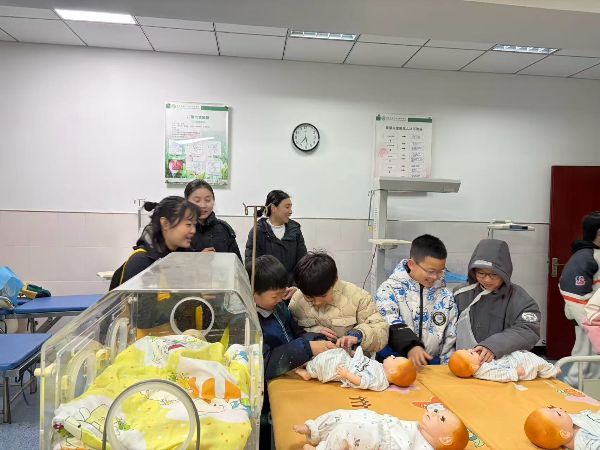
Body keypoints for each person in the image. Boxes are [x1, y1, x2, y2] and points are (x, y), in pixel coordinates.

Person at [247, 255, 335, 449]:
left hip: (290, 379)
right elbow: (265, 363)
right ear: (252, 292)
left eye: (283, 293)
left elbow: (295, 333)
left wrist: (315, 337)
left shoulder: (279, 308)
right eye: (274, 296)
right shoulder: (250, 323)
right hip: (265, 397)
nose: (280, 300)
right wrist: (307, 348)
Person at [374, 234, 457, 368]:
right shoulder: (389, 290)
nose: (435, 277)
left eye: (440, 272)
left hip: (432, 367)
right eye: (430, 271)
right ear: (411, 264)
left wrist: (445, 368)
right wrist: (411, 346)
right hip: (393, 365)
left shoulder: (445, 296)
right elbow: (388, 322)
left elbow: (450, 337)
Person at [453, 239, 541, 363]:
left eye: (494, 274)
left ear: (505, 272)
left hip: (504, 364)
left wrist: (493, 346)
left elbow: (528, 329)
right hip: (464, 363)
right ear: (473, 271)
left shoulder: (520, 299)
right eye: (481, 273)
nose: (487, 280)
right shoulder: (460, 294)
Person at [289, 252, 388, 353]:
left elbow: (380, 331)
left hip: (351, 360)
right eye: (309, 297)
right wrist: (312, 333)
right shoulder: (297, 301)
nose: (317, 303)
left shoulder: (359, 297)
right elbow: (289, 335)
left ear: (335, 282)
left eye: (323, 296)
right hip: (312, 361)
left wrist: (359, 335)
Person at [110, 196, 198, 289]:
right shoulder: (141, 262)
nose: (193, 231)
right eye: (188, 224)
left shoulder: (183, 258)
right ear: (165, 224)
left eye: (194, 225)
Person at [293, 408, 469, 450]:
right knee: (345, 415)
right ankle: (314, 429)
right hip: (379, 422)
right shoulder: (419, 426)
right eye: (437, 411)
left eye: (441, 418)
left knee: (346, 431)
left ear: (445, 439)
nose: (434, 412)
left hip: (382, 441)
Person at [559, 211, 600, 386]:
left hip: (593, 319)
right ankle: (573, 390)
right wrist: (591, 324)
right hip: (590, 321)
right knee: (586, 361)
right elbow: (573, 292)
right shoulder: (585, 257)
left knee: (594, 365)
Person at [244, 190, 307, 284]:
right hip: (267, 288)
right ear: (273, 208)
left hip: (291, 288)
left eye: (291, 207)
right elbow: (251, 266)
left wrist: (295, 286)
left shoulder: (295, 230)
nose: (290, 211)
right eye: (287, 207)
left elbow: (303, 263)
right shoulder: (258, 231)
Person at [295, 348, 416, 390]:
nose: (393, 356)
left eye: (395, 359)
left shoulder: (379, 381)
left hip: (345, 370)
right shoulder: (381, 368)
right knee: (334, 353)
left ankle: (309, 373)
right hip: (349, 362)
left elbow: (362, 382)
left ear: (392, 371)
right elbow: (366, 363)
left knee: (327, 363)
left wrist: (347, 375)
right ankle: (310, 364)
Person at [184, 179, 241, 259]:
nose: (203, 205)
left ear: (213, 200)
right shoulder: (181, 230)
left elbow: (236, 262)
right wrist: (197, 259)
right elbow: (173, 263)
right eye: (197, 201)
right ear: (186, 202)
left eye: (208, 200)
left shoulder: (224, 229)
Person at [449, 348, 558, 382]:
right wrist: (515, 372)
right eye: (471, 353)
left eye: (467, 349)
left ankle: (546, 369)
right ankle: (550, 371)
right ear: (474, 367)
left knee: (526, 355)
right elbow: (500, 375)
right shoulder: (484, 371)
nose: (471, 349)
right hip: (518, 369)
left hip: (510, 361)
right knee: (535, 361)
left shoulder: (479, 364)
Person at [524, 407, 600, 450]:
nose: (558, 408)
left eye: (551, 408)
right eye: (558, 413)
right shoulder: (584, 443)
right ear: (564, 434)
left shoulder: (567, 424)